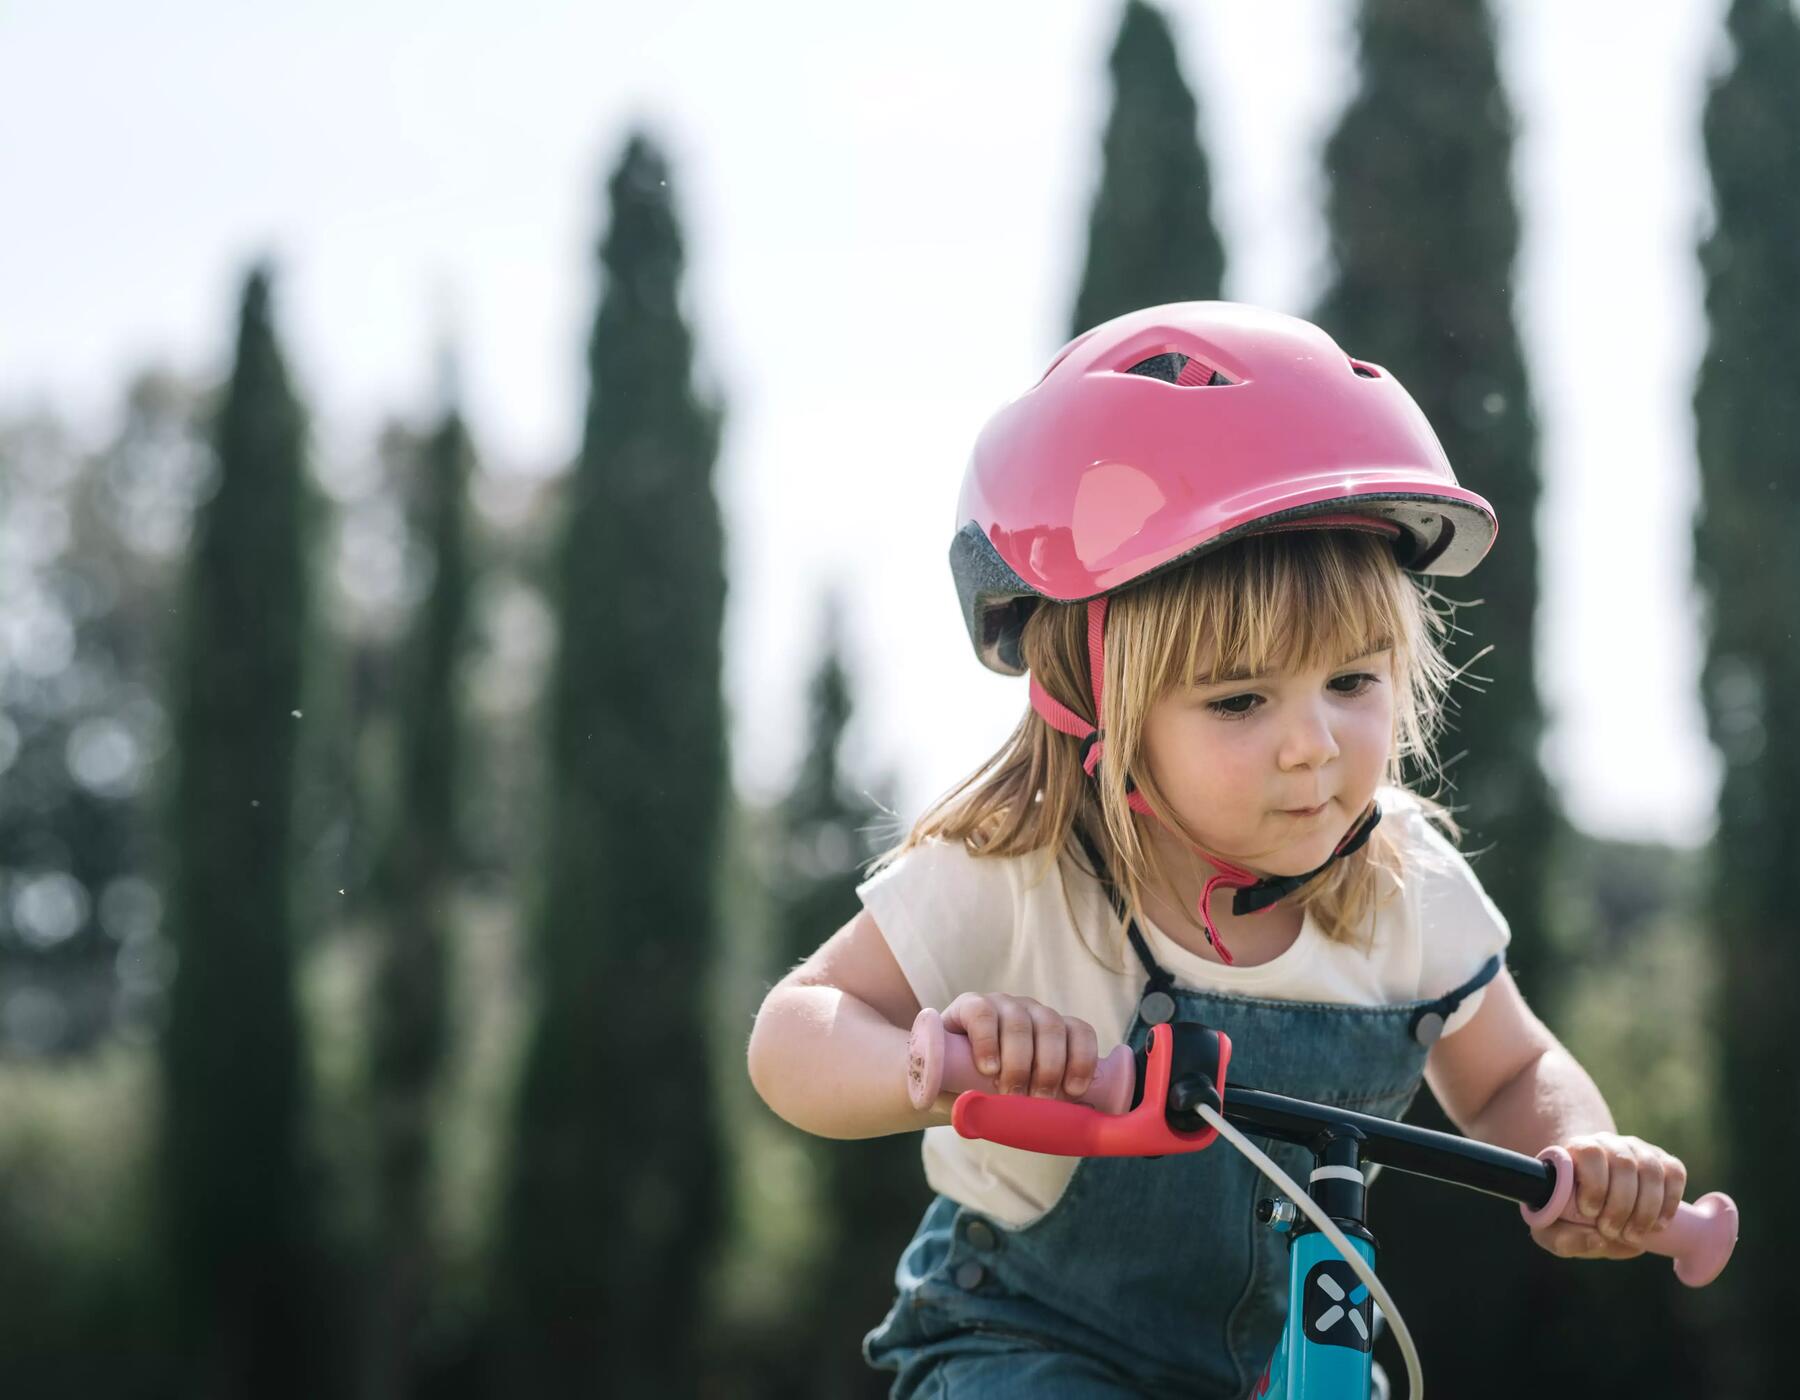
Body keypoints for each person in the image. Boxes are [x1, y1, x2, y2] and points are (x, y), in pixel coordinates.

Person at [746, 302, 1687, 1398]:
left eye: (1352, 681)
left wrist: (1583, 1151)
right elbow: (790, 1037)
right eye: (1240, 698)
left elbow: (1515, 1071)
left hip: (1288, 1359)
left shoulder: (1407, 884)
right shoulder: (1022, 873)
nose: (1313, 745)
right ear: (1097, 706)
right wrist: (936, 1057)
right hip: (1027, 1346)